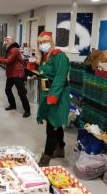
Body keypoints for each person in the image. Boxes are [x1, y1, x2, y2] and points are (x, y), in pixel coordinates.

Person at [36, 31, 70, 166]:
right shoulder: (46, 57)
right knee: (54, 123)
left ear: (51, 41)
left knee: (51, 126)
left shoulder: (59, 56)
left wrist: (54, 95)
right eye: (40, 43)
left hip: (57, 94)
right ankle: (60, 148)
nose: (42, 45)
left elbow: (60, 77)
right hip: (47, 93)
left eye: (45, 42)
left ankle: (46, 157)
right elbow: (47, 74)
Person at [0, 36, 31, 118]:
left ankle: (27, 111)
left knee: (21, 93)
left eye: (8, 40)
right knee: (8, 90)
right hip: (11, 74)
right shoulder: (10, 49)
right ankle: (12, 105)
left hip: (17, 74)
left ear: (12, 41)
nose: (6, 41)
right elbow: (6, 58)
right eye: (5, 40)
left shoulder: (14, 49)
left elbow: (9, 61)